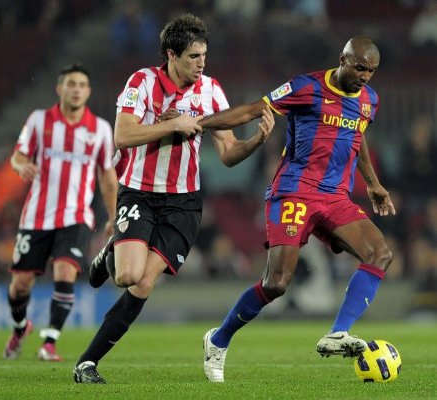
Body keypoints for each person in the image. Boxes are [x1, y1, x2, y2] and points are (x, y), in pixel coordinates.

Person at [72, 13, 274, 384]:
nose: (202, 64)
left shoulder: (211, 90)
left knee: (143, 283)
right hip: (140, 192)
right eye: (194, 56)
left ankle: (87, 363)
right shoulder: (142, 83)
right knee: (128, 274)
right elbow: (123, 136)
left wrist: (255, 142)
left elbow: (228, 153)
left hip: (183, 203)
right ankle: (113, 249)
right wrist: (174, 123)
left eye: (204, 56)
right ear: (171, 54)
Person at [199, 35, 396, 382]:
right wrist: (199, 124)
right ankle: (218, 339)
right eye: (360, 67)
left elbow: (358, 133)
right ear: (343, 59)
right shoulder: (306, 87)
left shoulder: (369, 100)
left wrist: (373, 182)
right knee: (276, 283)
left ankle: (337, 333)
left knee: (380, 253)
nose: (365, 76)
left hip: (335, 197)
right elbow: (252, 109)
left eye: (372, 71)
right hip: (294, 193)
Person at [3, 64, 117, 362]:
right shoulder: (40, 121)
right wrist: (20, 166)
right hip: (37, 217)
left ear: (88, 91)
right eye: (71, 84)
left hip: (76, 215)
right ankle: (19, 328)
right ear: (60, 89)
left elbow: (107, 176)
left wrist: (113, 216)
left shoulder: (100, 130)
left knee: (65, 271)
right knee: (20, 285)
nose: (76, 89)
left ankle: (49, 342)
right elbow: (18, 155)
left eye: (82, 84)